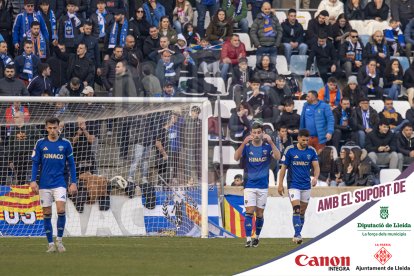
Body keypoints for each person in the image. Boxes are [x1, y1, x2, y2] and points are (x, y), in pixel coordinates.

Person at [30, 117, 78, 253]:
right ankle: (51, 244)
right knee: (46, 212)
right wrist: (33, 180)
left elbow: (72, 165)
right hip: (44, 184)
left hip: (60, 183)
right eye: (50, 128)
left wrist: (73, 182)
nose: (52, 130)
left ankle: (60, 241)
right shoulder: (40, 143)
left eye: (54, 128)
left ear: (59, 128)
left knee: (61, 209)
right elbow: (35, 163)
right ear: (46, 128)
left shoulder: (66, 144)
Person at [234, 122, 280, 248]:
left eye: (259, 132)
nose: (256, 135)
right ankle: (248, 239)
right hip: (249, 185)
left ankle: (257, 237)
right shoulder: (247, 147)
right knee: (249, 212)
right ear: (251, 134)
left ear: (263, 134)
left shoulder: (267, 147)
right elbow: (236, 157)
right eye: (254, 133)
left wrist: (271, 142)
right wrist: (243, 143)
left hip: (263, 186)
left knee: (259, 214)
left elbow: (278, 157)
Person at [277, 128, 319, 244]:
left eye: (307, 140)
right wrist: (280, 184)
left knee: (302, 212)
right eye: (303, 140)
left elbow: (316, 167)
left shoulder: (312, 151)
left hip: (306, 185)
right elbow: (283, 168)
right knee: (296, 209)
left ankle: (298, 233)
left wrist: (315, 177)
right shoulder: (290, 150)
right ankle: (297, 234)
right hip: (293, 184)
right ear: (298, 138)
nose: (306, 142)